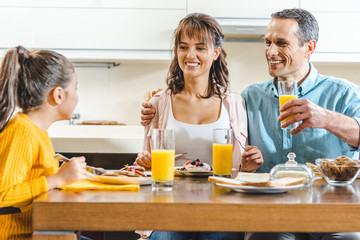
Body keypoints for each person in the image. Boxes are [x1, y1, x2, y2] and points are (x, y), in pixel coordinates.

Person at [141, 8, 360, 240]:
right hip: (271, 213)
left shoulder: (342, 93)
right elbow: (238, 160)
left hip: (329, 211)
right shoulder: (251, 97)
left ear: (309, 48)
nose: (271, 51)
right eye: (268, 42)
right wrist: (156, 104)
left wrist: (326, 118)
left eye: (281, 43)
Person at [135, 13, 263, 240]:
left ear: (215, 53)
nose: (190, 55)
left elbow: (240, 169)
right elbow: (147, 166)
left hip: (221, 207)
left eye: (200, 48)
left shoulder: (234, 103)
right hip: (168, 207)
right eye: (183, 47)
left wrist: (247, 165)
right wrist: (144, 163)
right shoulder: (158, 104)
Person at [0, 46, 87, 239]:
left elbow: (32, 181)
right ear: (58, 95)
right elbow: (3, 196)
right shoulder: (21, 131)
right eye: (75, 88)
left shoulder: (37, 132)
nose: (77, 95)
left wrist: (61, 174)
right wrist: (57, 179)